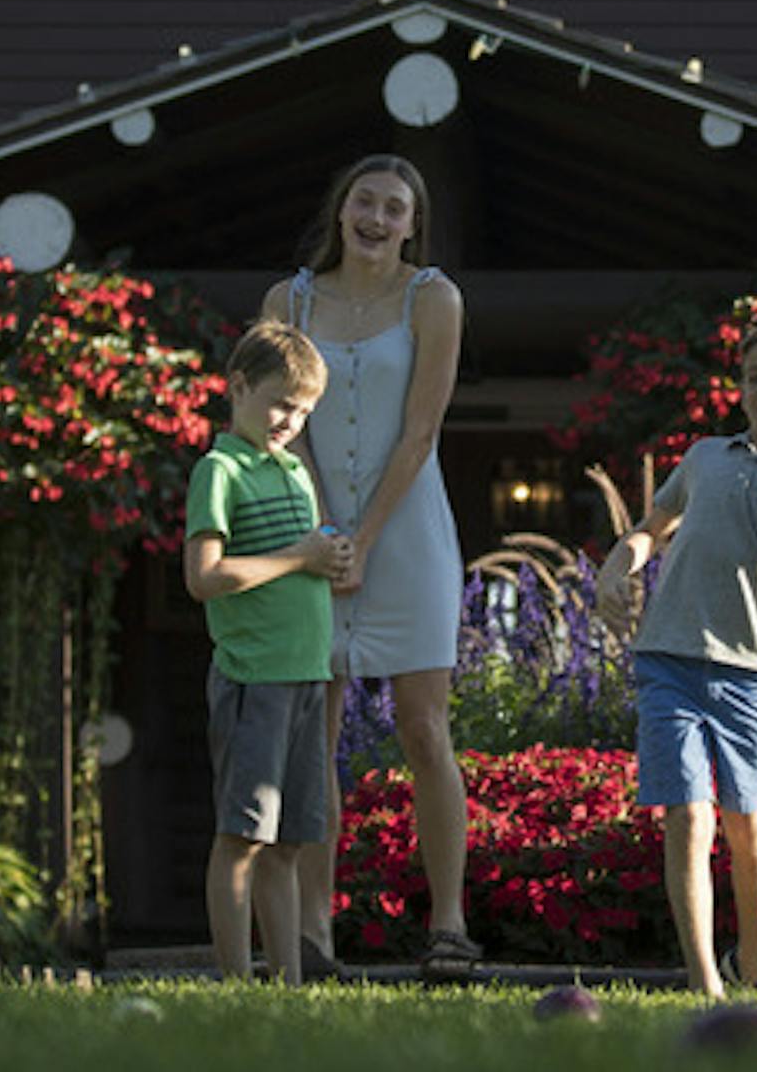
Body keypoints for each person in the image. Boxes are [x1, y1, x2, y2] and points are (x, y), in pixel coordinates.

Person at [263, 153, 475, 973]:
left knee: (424, 728)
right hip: (311, 530)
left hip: (410, 532)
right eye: (364, 201)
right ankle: (314, 930)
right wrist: (323, 531)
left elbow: (420, 432)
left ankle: (449, 923)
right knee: (315, 734)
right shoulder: (290, 301)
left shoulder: (435, 299)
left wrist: (367, 537)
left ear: (412, 222)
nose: (377, 218)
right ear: (341, 208)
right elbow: (281, 426)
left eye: (394, 207)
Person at [594, 320, 757, 1000]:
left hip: (752, 671)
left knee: (749, 821)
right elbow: (652, 526)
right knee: (688, 814)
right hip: (668, 657)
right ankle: (704, 978)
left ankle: (753, 958)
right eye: (756, 375)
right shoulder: (705, 457)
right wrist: (620, 564)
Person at [182, 320, 353, 984]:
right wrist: (299, 556)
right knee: (242, 837)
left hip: (308, 675)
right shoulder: (217, 470)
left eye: (305, 410)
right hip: (255, 679)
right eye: (282, 402)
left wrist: (326, 558)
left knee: (287, 844)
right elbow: (203, 577)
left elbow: (300, 561)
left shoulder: (293, 471)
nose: (291, 420)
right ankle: (236, 982)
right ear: (240, 385)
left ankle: (286, 983)